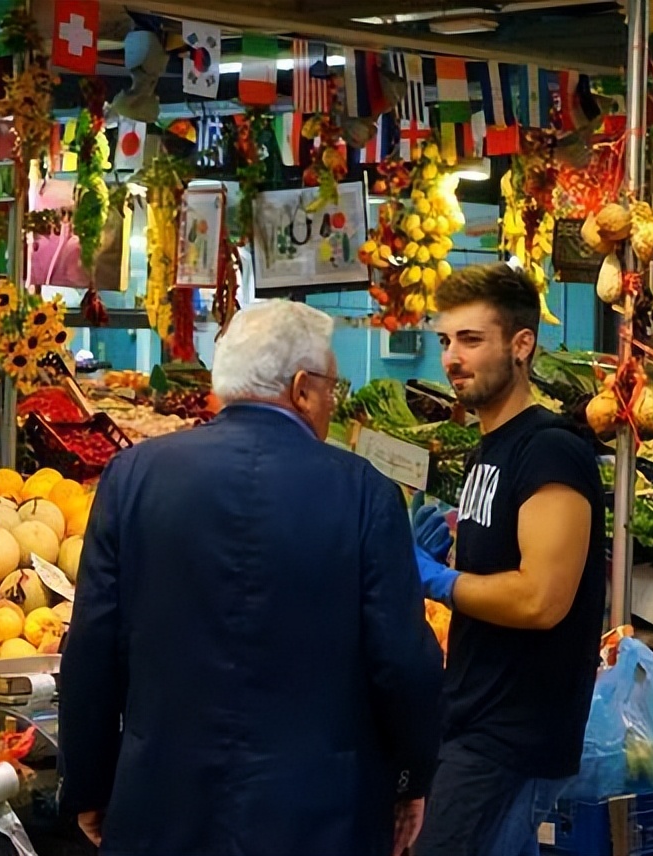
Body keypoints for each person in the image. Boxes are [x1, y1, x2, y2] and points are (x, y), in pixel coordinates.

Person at [59, 300, 444, 856]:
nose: (332, 401)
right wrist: (410, 778)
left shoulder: (134, 475)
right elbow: (403, 661)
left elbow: (93, 647)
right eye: (332, 387)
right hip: (321, 815)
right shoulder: (364, 491)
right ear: (304, 387)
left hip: (161, 805)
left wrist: (89, 783)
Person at [412, 263, 607, 856]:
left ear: (522, 345)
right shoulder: (487, 450)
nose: (451, 358)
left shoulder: (549, 449)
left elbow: (541, 600)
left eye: (471, 340)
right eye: (445, 341)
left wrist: (438, 581)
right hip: (470, 716)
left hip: (511, 736)